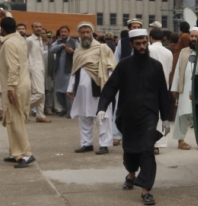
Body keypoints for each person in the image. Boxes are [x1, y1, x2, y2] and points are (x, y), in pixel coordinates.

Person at [97, 29, 172, 206]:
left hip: (149, 115)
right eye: (138, 44)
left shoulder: (156, 66)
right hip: (128, 115)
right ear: (131, 45)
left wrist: (166, 117)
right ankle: (131, 174)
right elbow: (110, 88)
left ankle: (146, 190)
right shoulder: (123, 66)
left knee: (147, 149)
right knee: (130, 151)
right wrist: (101, 107)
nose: (142, 47)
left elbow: (162, 92)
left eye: (144, 43)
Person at [68, 22, 116, 155]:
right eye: (82, 33)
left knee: (103, 116)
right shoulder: (78, 51)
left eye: (87, 32)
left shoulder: (103, 48)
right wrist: (70, 88)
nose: (85, 35)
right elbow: (75, 70)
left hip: (100, 88)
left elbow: (110, 68)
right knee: (83, 117)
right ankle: (86, 143)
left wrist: (111, 88)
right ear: (79, 34)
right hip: (81, 90)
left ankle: (104, 144)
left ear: (92, 33)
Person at [0, 15, 36, 168]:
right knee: (12, 121)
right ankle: (16, 153)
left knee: (16, 121)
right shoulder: (20, 39)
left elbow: (13, 67)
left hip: (16, 86)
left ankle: (26, 154)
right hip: (23, 83)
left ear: (2, 30)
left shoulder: (9, 44)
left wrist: (10, 87)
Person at [112, 19, 144, 146]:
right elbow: (116, 60)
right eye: (133, 27)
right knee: (119, 107)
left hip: (140, 80)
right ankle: (116, 135)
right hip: (125, 80)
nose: (135, 29)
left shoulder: (145, 43)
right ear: (129, 28)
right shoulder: (122, 42)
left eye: (138, 27)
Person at [169, 27, 198, 150]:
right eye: (192, 36)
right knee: (182, 114)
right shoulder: (184, 52)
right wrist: (174, 88)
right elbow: (178, 71)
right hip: (185, 89)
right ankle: (181, 140)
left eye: (196, 36)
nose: (193, 38)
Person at [50, 26, 78, 117]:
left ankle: (70, 112)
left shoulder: (74, 42)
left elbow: (80, 53)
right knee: (59, 92)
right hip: (59, 71)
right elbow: (51, 50)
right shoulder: (58, 42)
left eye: (65, 32)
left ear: (69, 32)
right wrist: (61, 46)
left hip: (69, 71)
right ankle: (64, 109)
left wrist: (72, 52)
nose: (63, 33)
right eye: (62, 32)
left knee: (68, 92)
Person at [26, 20, 50, 122]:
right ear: (32, 28)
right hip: (33, 68)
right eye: (36, 27)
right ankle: (22, 108)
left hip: (41, 68)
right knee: (40, 93)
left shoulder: (40, 40)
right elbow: (25, 55)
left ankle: (40, 115)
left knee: (41, 92)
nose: (39, 28)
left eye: (40, 27)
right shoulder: (29, 40)